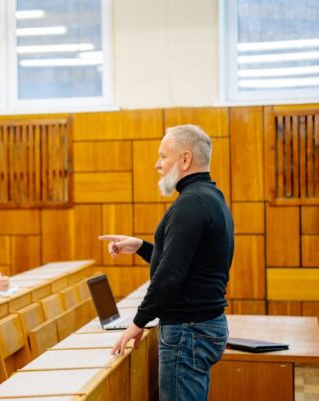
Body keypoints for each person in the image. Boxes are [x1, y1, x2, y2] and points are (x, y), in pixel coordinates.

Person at [99, 124, 234, 401]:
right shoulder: (211, 197)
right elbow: (190, 263)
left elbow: (171, 275)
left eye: (163, 156)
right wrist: (141, 247)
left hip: (188, 331)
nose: (156, 164)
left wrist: (137, 323)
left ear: (185, 159)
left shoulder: (190, 204)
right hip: (204, 325)